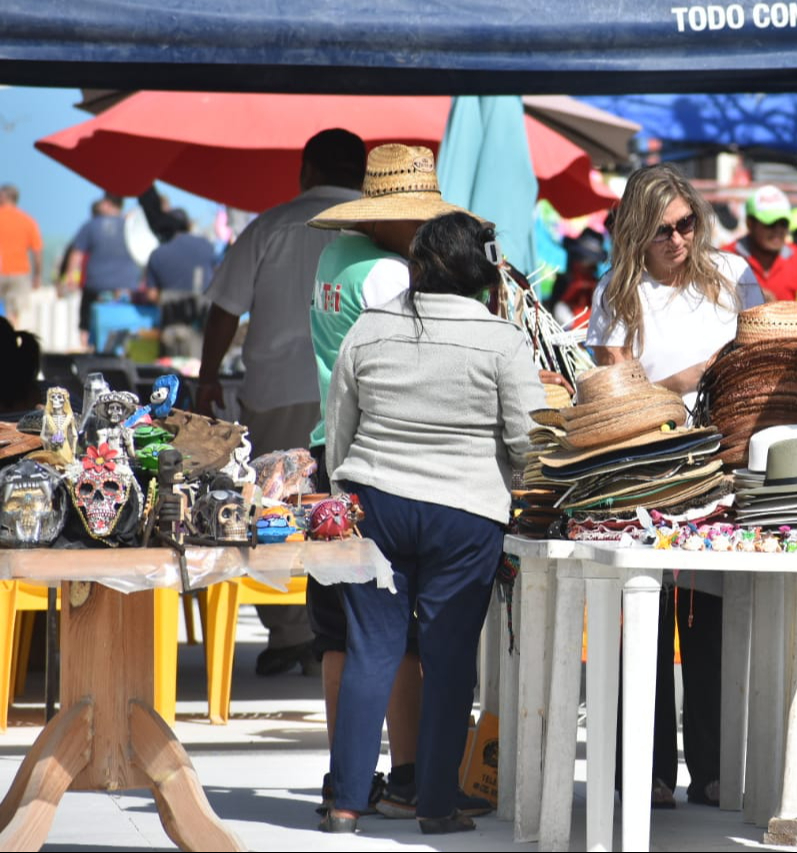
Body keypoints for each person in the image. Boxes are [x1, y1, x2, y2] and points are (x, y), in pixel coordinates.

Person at [321, 211, 545, 835]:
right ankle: (437, 806)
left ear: (419, 265)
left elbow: (339, 430)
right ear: (482, 271)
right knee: (448, 660)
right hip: (465, 515)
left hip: (376, 504)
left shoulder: (369, 327)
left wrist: (346, 498)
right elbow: (528, 442)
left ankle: (345, 805)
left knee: (371, 650)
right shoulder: (502, 339)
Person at [304, 142, 479, 819]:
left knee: (340, 631)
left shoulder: (334, 259)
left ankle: (344, 780)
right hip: (380, 456)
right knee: (394, 631)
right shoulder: (385, 274)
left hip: (331, 446)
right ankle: (406, 776)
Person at [585, 162, 764, 808]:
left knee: (712, 618)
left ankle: (713, 766)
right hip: (648, 468)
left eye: (687, 224)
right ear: (638, 230)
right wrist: (689, 378)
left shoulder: (733, 277)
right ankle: (650, 768)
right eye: (662, 230)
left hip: (724, 464)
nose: (679, 240)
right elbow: (614, 394)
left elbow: (768, 351)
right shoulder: (618, 293)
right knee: (647, 618)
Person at [196, 128, 367, 676]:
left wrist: (207, 377)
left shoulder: (270, 225)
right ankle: (341, 628)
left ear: (307, 171)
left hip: (276, 389)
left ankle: (291, 632)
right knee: (347, 511)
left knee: (272, 509)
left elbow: (224, 308)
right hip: (357, 394)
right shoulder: (376, 227)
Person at [62, 193, 141, 348]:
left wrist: (70, 276)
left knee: (86, 323)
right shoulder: (130, 226)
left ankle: (88, 349)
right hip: (126, 286)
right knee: (123, 321)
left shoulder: (91, 225)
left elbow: (77, 253)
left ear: (107, 204)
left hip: (95, 284)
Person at [722, 184, 797, 304]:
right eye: (770, 223)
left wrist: (775, 309)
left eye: (783, 223)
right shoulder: (724, 258)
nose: (778, 230)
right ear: (750, 224)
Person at [143, 207, 217, 357]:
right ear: (188, 225)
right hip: (203, 331)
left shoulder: (157, 254)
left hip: (170, 333)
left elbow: (151, 295)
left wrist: (169, 298)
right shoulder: (206, 245)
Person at [0, 184, 43, 329]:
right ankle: (10, 337)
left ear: (3, 197)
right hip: (20, 272)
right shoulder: (27, 221)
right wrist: (37, 275)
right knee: (14, 312)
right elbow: (37, 252)